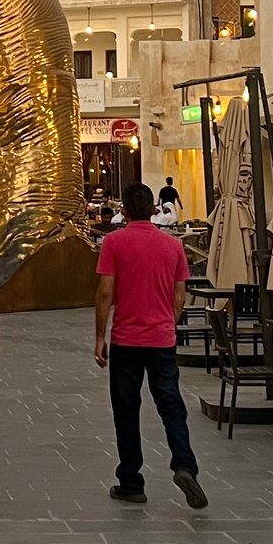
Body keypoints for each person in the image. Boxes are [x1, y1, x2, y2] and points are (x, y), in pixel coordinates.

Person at [94, 183, 206, 510]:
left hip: (127, 339)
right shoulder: (172, 246)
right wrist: (168, 323)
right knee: (171, 406)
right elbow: (180, 296)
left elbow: (105, 292)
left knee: (126, 409)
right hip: (162, 339)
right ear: (154, 210)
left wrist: (99, 336)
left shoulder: (114, 242)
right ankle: (185, 465)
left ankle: (131, 481)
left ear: (125, 211)